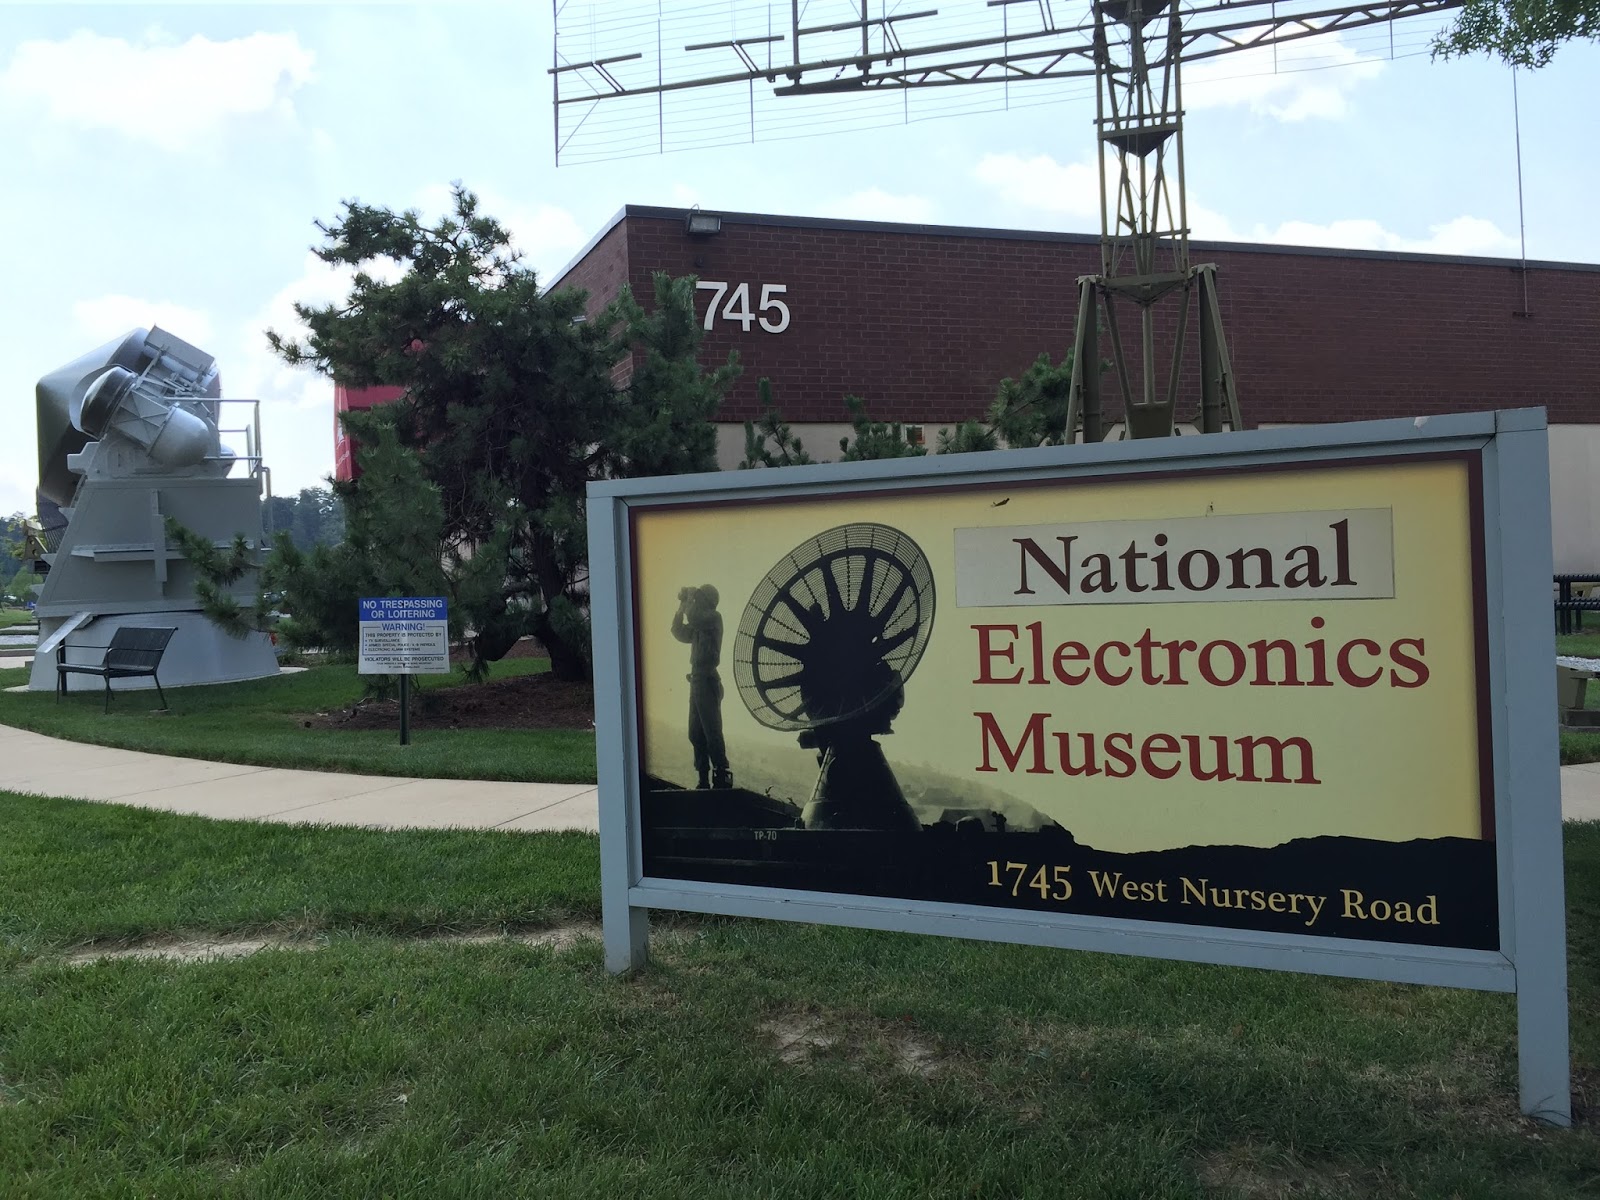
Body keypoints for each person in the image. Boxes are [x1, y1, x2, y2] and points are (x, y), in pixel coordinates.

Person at [671, 584, 732, 790]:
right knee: (695, 732)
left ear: (707, 601)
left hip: (707, 679)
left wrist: (689, 600)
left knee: (711, 730)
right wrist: (681, 608)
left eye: (699, 598)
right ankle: (703, 777)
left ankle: (721, 773)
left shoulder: (714, 618)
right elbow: (678, 632)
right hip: (697, 679)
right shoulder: (700, 624)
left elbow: (696, 617)